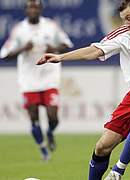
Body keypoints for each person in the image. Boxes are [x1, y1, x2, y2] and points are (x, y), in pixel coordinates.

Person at [36, 0, 130, 179]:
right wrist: (60, 57)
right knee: (102, 147)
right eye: (123, 19)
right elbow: (93, 51)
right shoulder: (123, 34)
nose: (125, 24)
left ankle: (117, 171)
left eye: (129, 18)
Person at [0, 0, 73, 161]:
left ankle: (50, 132)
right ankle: (43, 148)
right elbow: (5, 54)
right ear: (26, 10)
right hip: (29, 80)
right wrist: (22, 49)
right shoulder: (19, 30)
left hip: (49, 77)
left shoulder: (51, 26)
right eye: (30, 7)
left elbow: (66, 45)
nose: (33, 10)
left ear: (40, 9)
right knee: (34, 118)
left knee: (53, 117)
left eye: (36, 7)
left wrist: (53, 49)